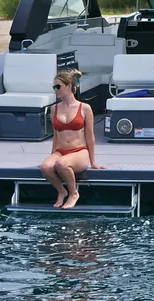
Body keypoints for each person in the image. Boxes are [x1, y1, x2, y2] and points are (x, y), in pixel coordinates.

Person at [39, 68, 106, 209]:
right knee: (46, 167)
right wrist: (51, 156)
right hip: (61, 150)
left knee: (62, 164)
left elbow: (90, 136)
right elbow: (56, 136)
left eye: (58, 86)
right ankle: (61, 191)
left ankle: (73, 193)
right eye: (54, 87)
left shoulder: (85, 108)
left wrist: (93, 162)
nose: (55, 90)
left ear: (69, 86)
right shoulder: (54, 108)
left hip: (79, 151)